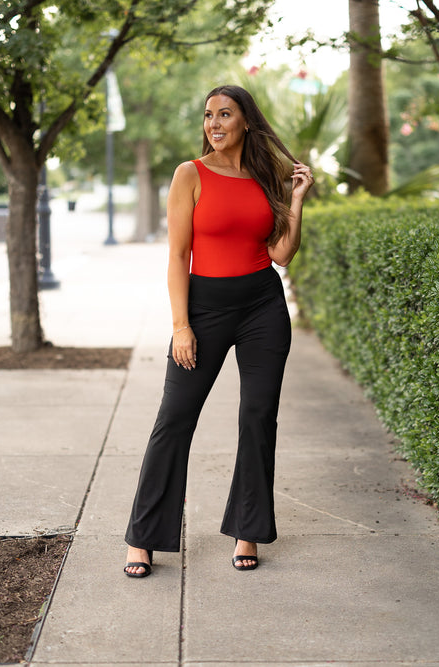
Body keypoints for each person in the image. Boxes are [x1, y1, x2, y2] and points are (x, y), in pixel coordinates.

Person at [123, 84, 314, 578]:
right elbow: (176, 256)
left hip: (262, 306)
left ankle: (248, 530)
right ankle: (144, 536)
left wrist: (296, 200)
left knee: (258, 417)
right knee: (175, 418)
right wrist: (181, 326)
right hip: (204, 307)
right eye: (208, 115)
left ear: (246, 120)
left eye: (225, 114)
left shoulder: (265, 176)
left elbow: (281, 253)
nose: (214, 123)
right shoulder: (190, 174)